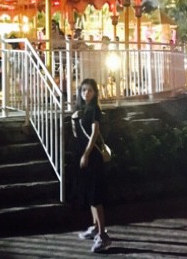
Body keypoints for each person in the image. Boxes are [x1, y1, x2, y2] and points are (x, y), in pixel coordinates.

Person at [71, 78, 111, 253]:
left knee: (95, 195)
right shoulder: (82, 110)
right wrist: (74, 120)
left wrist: (86, 154)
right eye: (83, 90)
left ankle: (103, 235)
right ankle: (95, 227)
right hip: (84, 155)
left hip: (93, 157)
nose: (86, 93)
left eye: (90, 90)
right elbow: (76, 134)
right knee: (89, 193)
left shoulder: (94, 109)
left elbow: (95, 133)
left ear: (95, 93)